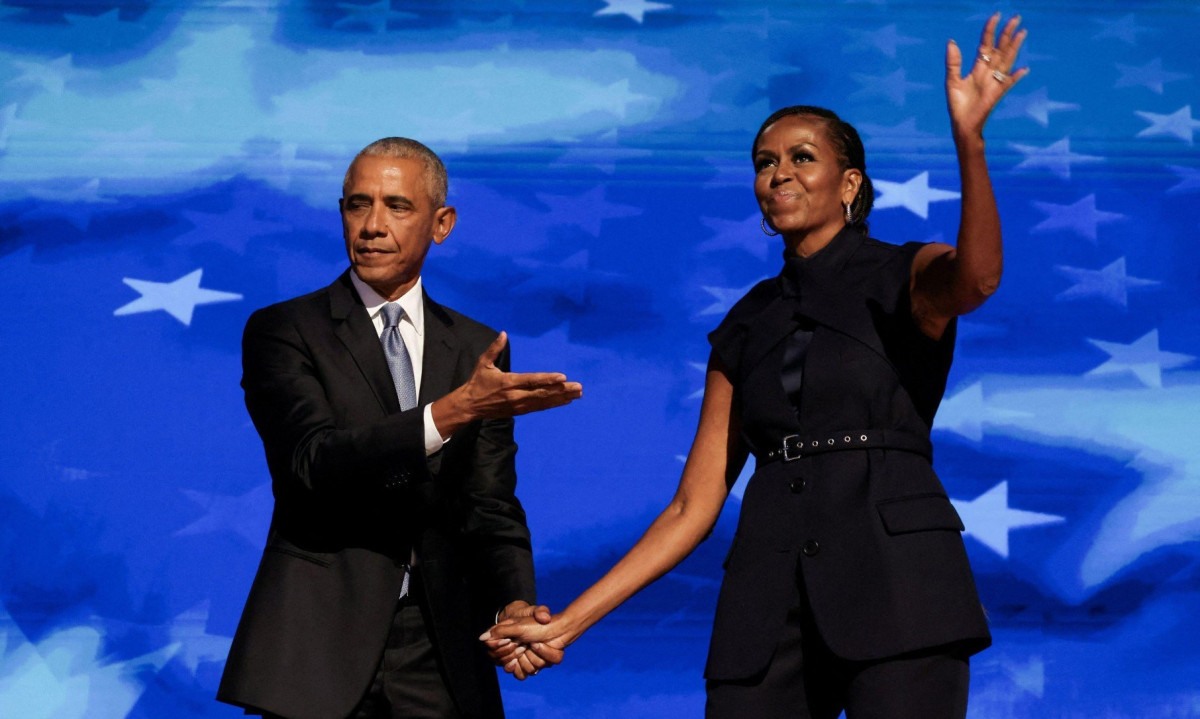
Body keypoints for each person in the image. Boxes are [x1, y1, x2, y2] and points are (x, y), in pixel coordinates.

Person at [483, 13, 1027, 718]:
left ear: (849, 183)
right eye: (765, 163)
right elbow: (691, 506)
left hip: (900, 586)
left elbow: (978, 280)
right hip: (767, 599)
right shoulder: (747, 321)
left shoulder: (902, 273)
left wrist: (970, 144)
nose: (778, 174)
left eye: (802, 157)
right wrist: (567, 623)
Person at [217, 137, 582, 719]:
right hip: (319, 646)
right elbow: (313, 461)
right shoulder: (285, 329)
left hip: (440, 647)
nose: (372, 225)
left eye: (397, 206)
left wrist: (513, 603)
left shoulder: (474, 348)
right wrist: (453, 411)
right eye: (358, 205)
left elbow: (490, 503)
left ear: (441, 224)